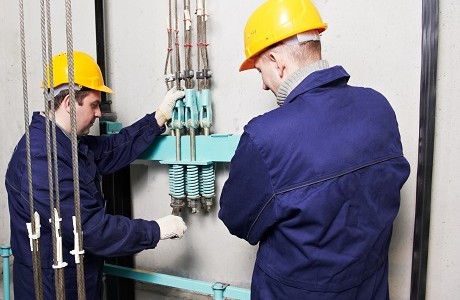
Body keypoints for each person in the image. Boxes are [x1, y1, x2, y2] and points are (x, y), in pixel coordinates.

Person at [218, 0, 411, 299]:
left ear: (276, 61)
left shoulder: (265, 137)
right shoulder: (379, 107)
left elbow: (236, 219)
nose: (263, 86)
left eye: (259, 72)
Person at [5, 50, 188, 299]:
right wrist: (155, 230)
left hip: (79, 277)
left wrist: (158, 118)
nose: (99, 113)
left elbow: (112, 149)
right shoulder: (42, 159)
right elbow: (89, 229)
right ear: (70, 103)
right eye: (94, 105)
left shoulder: (66, 143)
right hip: (53, 287)